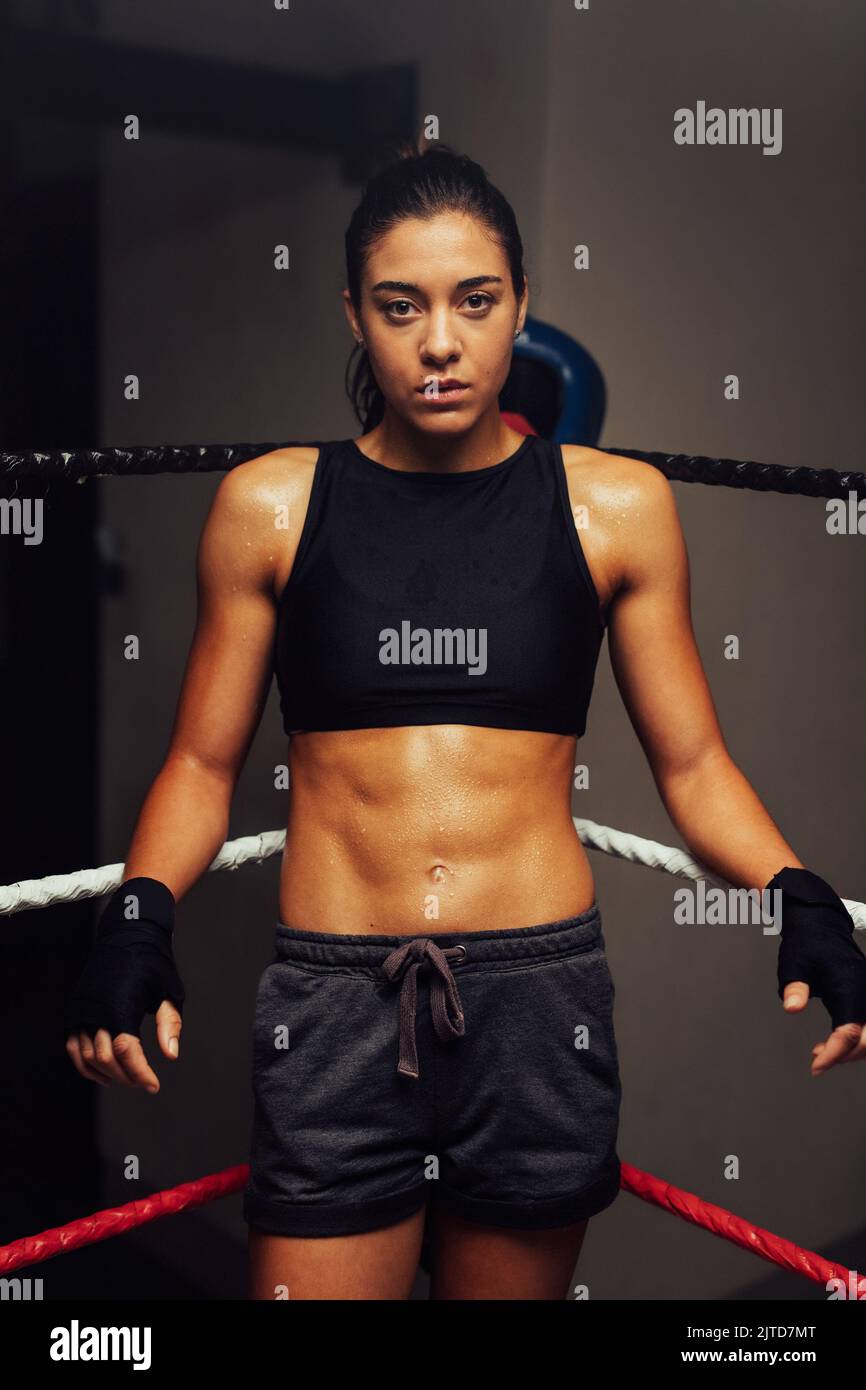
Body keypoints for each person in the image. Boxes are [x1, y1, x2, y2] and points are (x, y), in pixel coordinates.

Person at [65, 141, 866, 1301]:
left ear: (520, 308)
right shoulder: (271, 504)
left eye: (474, 302)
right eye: (401, 306)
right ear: (354, 315)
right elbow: (200, 762)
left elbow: (692, 766)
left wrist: (800, 897)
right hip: (333, 1006)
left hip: (539, 1004)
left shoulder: (616, 507)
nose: (439, 341)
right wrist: (135, 921)